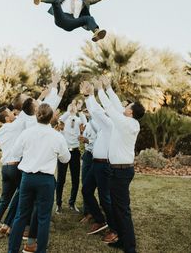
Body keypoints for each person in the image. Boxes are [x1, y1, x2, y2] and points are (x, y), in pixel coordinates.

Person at [8, 103, 71, 253]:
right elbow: (65, 159)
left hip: (27, 179)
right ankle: (40, 250)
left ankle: (12, 250)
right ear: (51, 119)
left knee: (21, 216)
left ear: (37, 116)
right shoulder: (57, 136)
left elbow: (15, 153)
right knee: (43, 218)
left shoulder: (26, 133)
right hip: (46, 181)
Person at [97, 75, 145, 252]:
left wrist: (100, 89)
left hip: (121, 172)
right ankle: (122, 240)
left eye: (127, 106)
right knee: (117, 208)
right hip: (117, 170)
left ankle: (130, 247)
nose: (124, 107)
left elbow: (110, 108)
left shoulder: (125, 123)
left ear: (130, 112)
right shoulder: (127, 120)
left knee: (122, 210)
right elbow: (117, 106)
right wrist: (109, 87)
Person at [80, 81, 118, 244]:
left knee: (105, 199)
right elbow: (96, 113)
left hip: (104, 166)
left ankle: (114, 229)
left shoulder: (110, 124)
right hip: (96, 164)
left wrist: (89, 96)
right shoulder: (104, 127)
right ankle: (100, 220)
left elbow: (96, 112)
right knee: (86, 191)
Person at [0, 106, 24, 243]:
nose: (13, 113)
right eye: (10, 112)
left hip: (5, 168)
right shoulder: (13, 127)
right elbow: (26, 114)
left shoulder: (2, 131)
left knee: (4, 200)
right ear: (7, 118)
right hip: (15, 168)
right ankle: (10, 225)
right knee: (22, 194)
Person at [55, 100, 86, 213]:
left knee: (75, 179)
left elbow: (85, 122)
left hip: (75, 152)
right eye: (71, 106)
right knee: (61, 179)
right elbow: (60, 119)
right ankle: (58, 204)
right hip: (64, 152)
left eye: (73, 107)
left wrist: (79, 111)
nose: (72, 108)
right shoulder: (64, 120)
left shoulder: (78, 120)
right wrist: (69, 111)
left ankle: (72, 203)